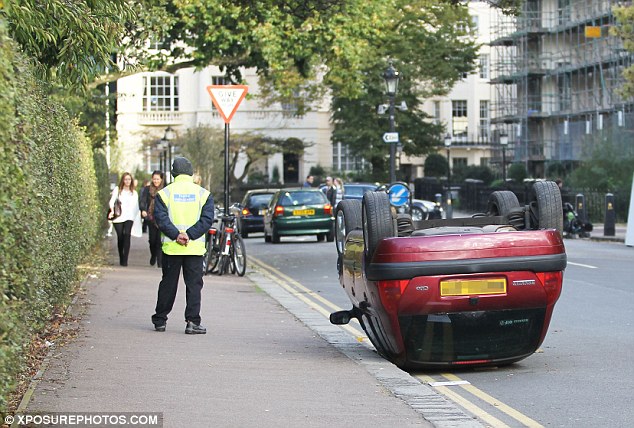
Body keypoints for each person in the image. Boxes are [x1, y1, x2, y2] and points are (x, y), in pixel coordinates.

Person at [151, 157, 214, 334]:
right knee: (194, 285)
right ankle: (193, 322)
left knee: (168, 284)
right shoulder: (203, 194)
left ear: (173, 173)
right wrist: (190, 235)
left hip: (172, 247)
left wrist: (176, 235)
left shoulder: (164, 193)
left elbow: (161, 219)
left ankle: (160, 320)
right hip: (194, 247)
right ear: (191, 172)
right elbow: (207, 220)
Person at [108, 172, 142, 266]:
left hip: (129, 217)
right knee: (120, 237)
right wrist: (111, 211)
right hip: (118, 216)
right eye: (126, 179)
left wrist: (136, 218)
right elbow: (112, 201)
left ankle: (125, 259)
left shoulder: (134, 193)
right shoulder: (117, 190)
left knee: (127, 235)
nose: (127, 181)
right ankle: (121, 256)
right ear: (123, 180)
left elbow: (136, 206)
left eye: (129, 179)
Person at [139, 171, 165, 268]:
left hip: (162, 217)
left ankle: (160, 261)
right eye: (154, 179)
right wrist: (143, 210)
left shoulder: (165, 190)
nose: (156, 181)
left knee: (159, 240)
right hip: (151, 217)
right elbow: (143, 200)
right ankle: (153, 255)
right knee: (152, 240)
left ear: (161, 179)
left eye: (158, 179)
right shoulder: (147, 189)